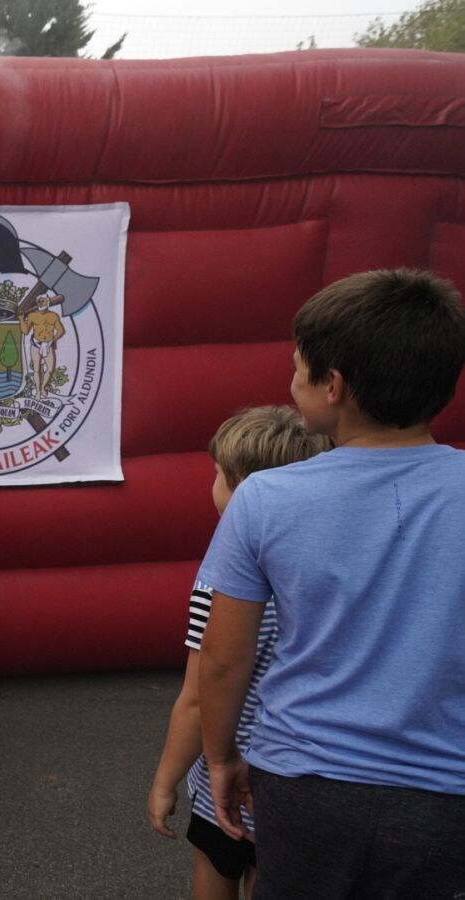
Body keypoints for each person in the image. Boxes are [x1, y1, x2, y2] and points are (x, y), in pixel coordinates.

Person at [197, 269, 465, 899]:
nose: (292, 383)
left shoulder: (263, 497)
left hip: (303, 782)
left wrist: (220, 756)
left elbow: (221, 658)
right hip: (445, 791)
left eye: (297, 369)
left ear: (334, 386)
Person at [147, 406, 331, 900]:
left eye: (217, 477)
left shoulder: (220, 582)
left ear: (245, 490)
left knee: (215, 867)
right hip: (302, 776)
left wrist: (165, 780)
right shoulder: (322, 571)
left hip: (226, 776)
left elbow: (198, 696)